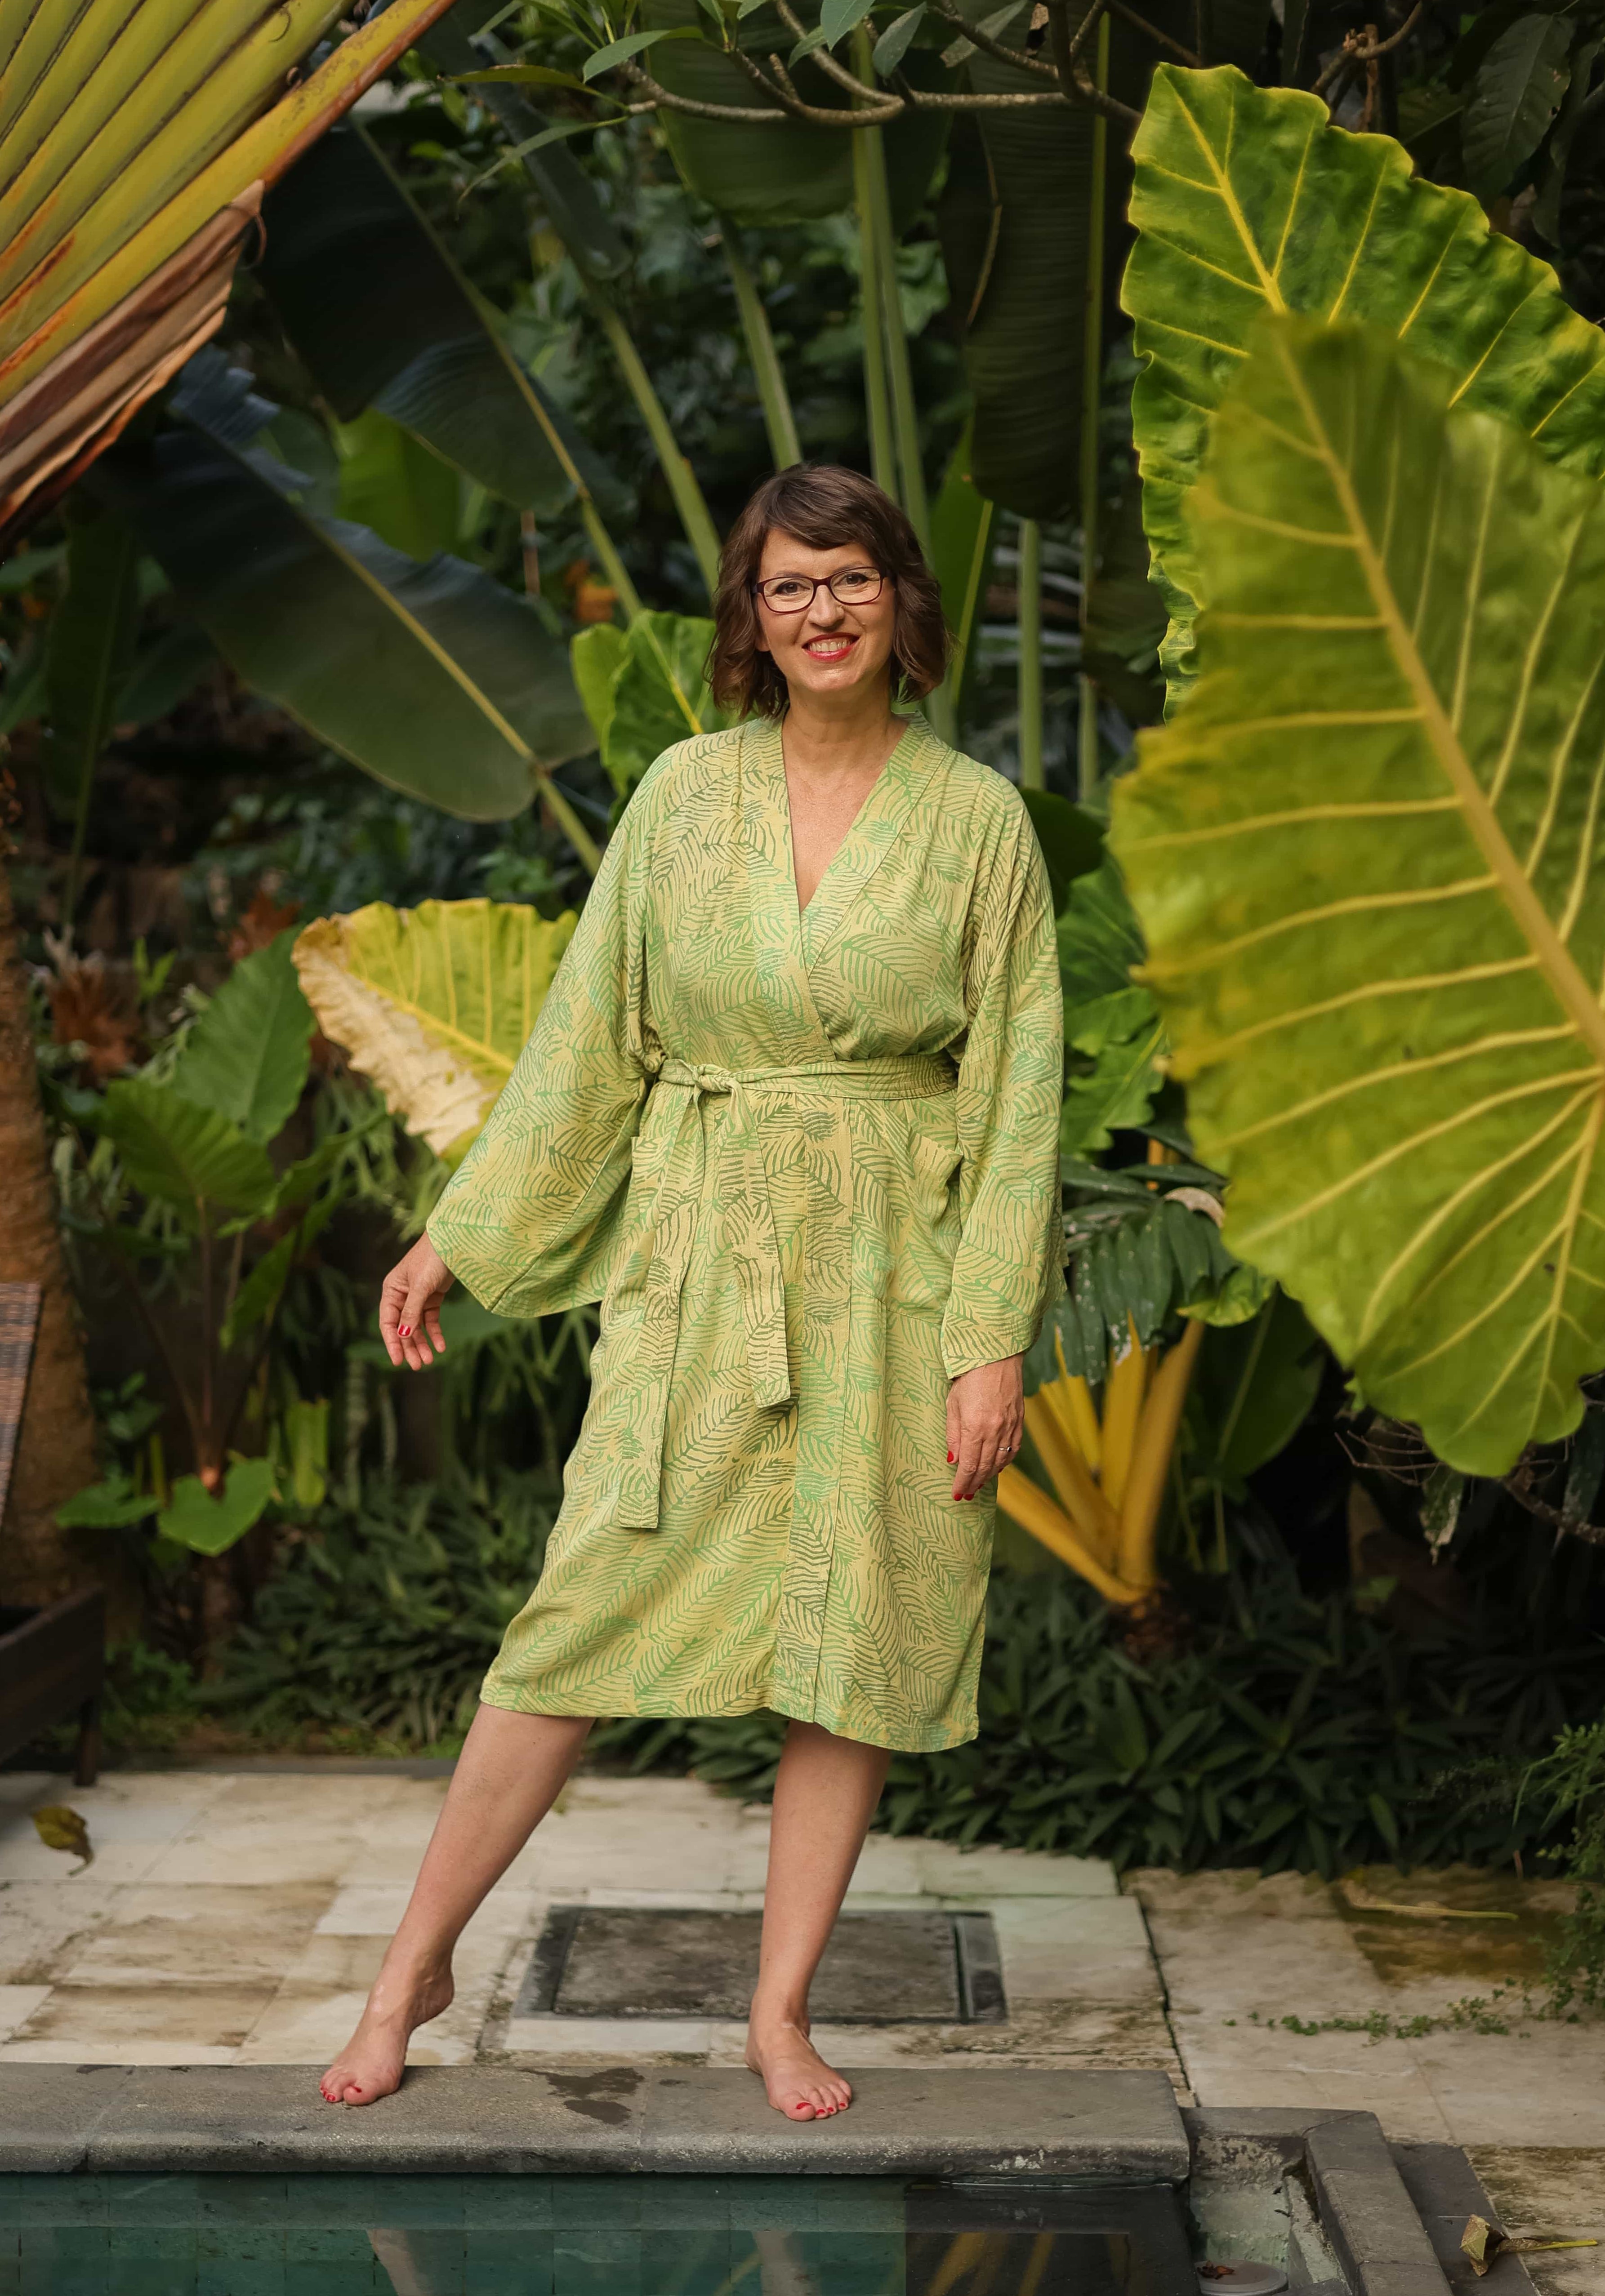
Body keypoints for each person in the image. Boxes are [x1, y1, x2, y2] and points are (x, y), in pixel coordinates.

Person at [320, 465, 1065, 2123]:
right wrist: (461, 1235)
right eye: (791, 583)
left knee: (852, 1636)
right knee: (580, 1609)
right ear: (752, 615)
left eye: (851, 577)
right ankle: (409, 1967)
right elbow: (588, 1041)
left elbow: (1018, 1098)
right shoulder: (680, 795)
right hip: (704, 1264)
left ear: (899, 599)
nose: (823, 609)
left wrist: (986, 1340)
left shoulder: (976, 822)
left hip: (895, 1269)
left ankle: (778, 2010)